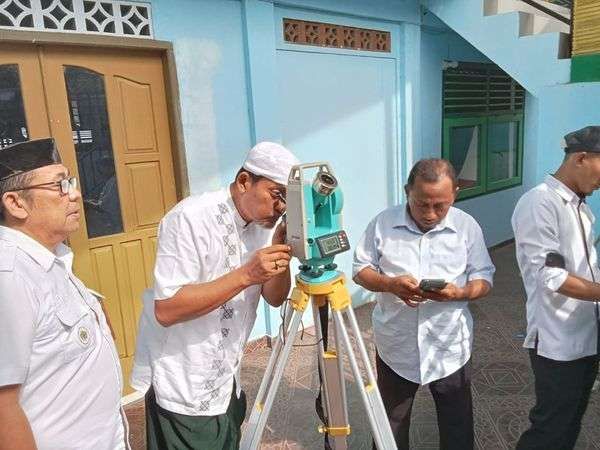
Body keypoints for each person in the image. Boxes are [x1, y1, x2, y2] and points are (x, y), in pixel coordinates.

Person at [131, 141, 299, 449]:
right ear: (244, 181)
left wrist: (281, 251)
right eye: (277, 195)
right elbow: (166, 309)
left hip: (227, 380)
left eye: (289, 200)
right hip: (185, 386)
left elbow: (274, 298)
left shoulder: (265, 225)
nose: (281, 208)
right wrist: (247, 274)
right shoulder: (189, 219)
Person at [353, 158, 495, 450]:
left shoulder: (467, 227)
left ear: (455, 193)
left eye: (440, 206)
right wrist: (390, 284)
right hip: (396, 346)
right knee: (391, 423)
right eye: (421, 204)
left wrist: (459, 293)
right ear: (408, 191)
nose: (430, 214)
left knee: (457, 424)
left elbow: (484, 278)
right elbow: (360, 270)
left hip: (449, 346)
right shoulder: (382, 224)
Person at [0, 138, 128, 450]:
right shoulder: (10, 276)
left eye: (70, 182)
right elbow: (3, 407)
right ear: (15, 203)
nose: (75, 194)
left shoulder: (50, 259)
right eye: (60, 185)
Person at [513, 126, 600, 450]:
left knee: (571, 422)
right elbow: (552, 277)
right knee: (550, 429)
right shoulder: (540, 203)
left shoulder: (582, 209)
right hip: (556, 341)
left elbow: (586, 269)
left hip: (587, 335)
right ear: (581, 158)